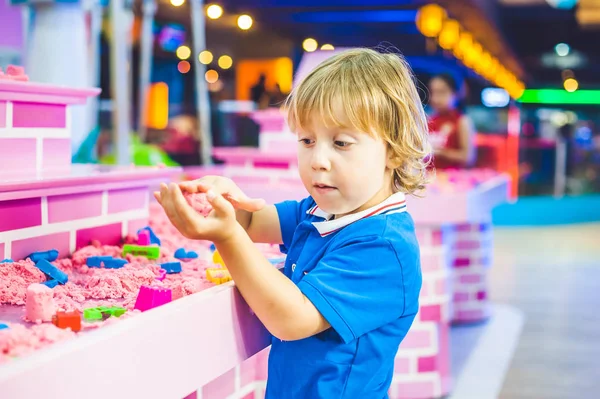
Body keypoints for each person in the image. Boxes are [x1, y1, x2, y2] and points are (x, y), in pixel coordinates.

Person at [155, 48, 430, 398]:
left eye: (341, 143)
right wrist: (223, 201)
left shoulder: (383, 245)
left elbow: (290, 319)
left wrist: (227, 236)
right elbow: (254, 221)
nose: (318, 160)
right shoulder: (321, 212)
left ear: (393, 150)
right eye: (307, 140)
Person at [428, 73, 476, 169]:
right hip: (430, 179)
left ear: (456, 94)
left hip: (452, 180)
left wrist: (441, 152)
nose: (435, 98)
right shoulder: (429, 120)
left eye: (442, 92)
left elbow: (468, 158)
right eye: (433, 92)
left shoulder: (462, 121)